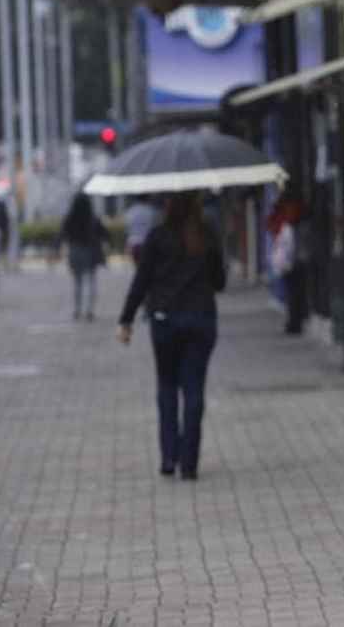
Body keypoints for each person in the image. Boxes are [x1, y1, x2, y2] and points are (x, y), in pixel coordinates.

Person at [116, 191, 226, 481]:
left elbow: (141, 281)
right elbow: (220, 282)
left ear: (168, 206)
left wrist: (125, 320)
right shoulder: (206, 236)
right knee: (194, 390)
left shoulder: (158, 237)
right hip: (201, 321)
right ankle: (189, 463)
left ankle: (168, 457)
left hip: (165, 322)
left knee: (167, 387)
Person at [60, 192, 110, 321]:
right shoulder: (93, 218)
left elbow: (62, 234)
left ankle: (77, 309)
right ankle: (89, 310)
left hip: (75, 251)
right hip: (90, 251)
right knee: (91, 281)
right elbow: (105, 234)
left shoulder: (69, 218)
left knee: (77, 282)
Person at [267, 194, 308, 335]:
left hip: (291, 263)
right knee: (293, 294)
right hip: (292, 263)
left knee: (293, 294)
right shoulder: (289, 224)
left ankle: (294, 322)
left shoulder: (288, 223)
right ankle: (294, 322)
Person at [124, 195, 161, 265]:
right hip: (148, 242)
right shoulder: (151, 210)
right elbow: (156, 226)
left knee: (138, 265)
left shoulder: (131, 211)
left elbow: (127, 229)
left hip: (134, 242)